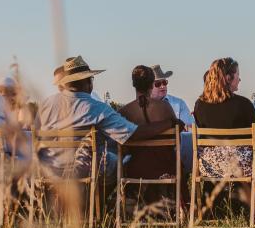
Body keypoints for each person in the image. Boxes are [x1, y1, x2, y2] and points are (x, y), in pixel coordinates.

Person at [38, 55, 177, 176]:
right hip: (82, 170)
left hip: (48, 169)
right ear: (88, 82)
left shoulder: (45, 105)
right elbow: (132, 134)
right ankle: (104, 203)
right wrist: (170, 123)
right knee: (120, 161)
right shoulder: (96, 108)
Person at [192, 57, 255, 180]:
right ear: (228, 78)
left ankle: (212, 194)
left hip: (210, 166)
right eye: (238, 75)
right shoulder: (243, 103)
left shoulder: (199, 104)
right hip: (240, 165)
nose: (240, 79)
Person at [118, 65, 183, 181]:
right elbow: (177, 141)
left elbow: (123, 148)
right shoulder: (165, 107)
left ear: (134, 84)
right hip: (165, 168)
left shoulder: (124, 112)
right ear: (152, 84)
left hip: (136, 170)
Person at [148, 64, 195, 129]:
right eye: (157, 84)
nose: (162, 86)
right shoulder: (142, 106)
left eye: (164, 82)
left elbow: (192, 129)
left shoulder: (179, 103)